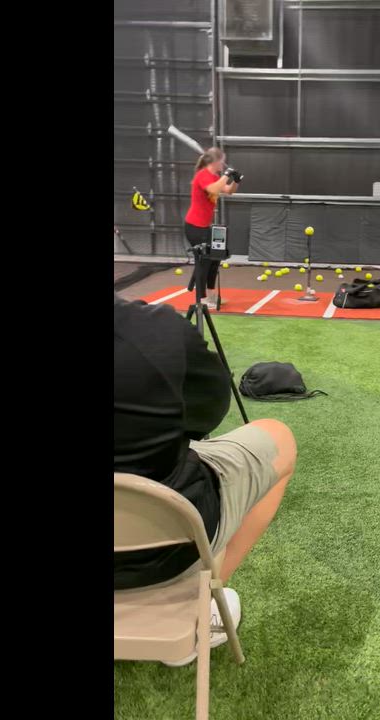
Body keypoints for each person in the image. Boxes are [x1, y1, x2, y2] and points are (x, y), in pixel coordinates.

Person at [114, 294, 295, 666]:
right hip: (165, 548)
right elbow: (207, 414)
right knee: (279, 437)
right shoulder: (156, 328)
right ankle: (204, 604)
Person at [184, 147, 237, 307]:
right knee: (204, 261)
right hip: (194, 226)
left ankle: (211, 295)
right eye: (222, 161)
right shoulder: (203, 175)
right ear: (215, 161)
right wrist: (226, 175)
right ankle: (201, 298)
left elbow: (228, 191)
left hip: (204, 226)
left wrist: (236, 180)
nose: (223, 164)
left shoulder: (214, 176)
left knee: (215, 258)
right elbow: (213, 189)